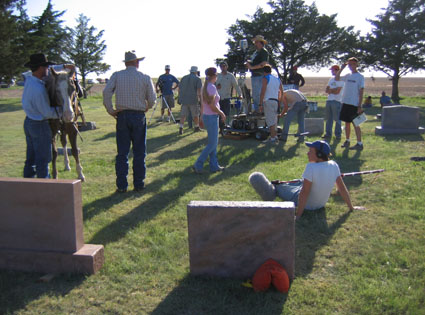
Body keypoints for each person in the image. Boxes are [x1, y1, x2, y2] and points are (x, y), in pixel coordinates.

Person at [249, 140, 363, 219]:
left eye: (310, 152)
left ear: (318, 154)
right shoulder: (334, 165)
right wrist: (351, 207)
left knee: (279, 186)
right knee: (300, 181)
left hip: (306, 204)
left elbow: (304, 192)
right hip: (320, 204)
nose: (307, 153)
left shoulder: (311, 167)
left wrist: (298, 215)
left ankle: (271, 193)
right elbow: (342, 188)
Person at [103, 50, 156, 193]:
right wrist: (146, 107)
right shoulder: (144, 77)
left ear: (126, 63)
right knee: (139, 152)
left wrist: (110, 109)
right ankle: (139, 183)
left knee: (122, 152)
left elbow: (106, 92)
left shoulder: (117, 76)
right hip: (138, 115)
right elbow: (152, 99)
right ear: (136, 62)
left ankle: (122, 185)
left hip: (122, 116)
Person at [21, 53, 63, 178]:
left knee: (31, 159)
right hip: (39, 124)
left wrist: (65, 66)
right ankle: (45, 189)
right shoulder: (39, 89)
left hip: (29, 121)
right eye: (46, 67)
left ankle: (27, 186)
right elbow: (47, 112)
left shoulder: (29, 80)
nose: (47, 70)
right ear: (40, 68)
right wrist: (62, 110)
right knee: (43, 160)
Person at [193, 67, 226, 173]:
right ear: (213, 76)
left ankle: (214, 165)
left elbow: (203, 104)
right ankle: (198, 164)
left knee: (213, 143)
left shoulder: (205, 86)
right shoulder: (211, 87)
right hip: (212, 117)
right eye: (216, 75)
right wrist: (221, 113)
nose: (217, 77)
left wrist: (202, 116)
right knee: (212, 144)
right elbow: (212, 106)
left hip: (208, 116)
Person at [335, 57, 365, 150]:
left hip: (354, 103)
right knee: (346, 123)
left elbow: (361, 91)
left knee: (356, 123)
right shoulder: (348, 75)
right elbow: (337, 78)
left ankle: (359, 143)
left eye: (353, 64)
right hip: (345, 102)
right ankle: (347, 140)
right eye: (350, 64)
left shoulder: (360, 77)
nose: (351, 66)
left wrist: (359, 105)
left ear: (356, 65)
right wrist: (342, 68)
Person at [259, 65, 283, 144]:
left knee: (270, 120)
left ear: (264, 72)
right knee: (274, 120)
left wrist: (260, 104)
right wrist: (279, 101)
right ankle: (275, 136)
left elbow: (263, 91)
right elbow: (281, 91)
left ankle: (272, 138)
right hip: (275, 101)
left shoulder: (266, 78)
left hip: (268, 100)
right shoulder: (277, 79)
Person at [216, 61, 242, 133]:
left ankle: (224, 127)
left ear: (227, 67)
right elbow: (212, 86)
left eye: (224, 66)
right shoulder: (218, 76)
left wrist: (240, 94)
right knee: (218, 114)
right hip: (218, 98)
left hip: (226, 97)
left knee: (226, 113)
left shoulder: (230, 76)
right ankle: (221, 128)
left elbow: (236, 86)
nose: (223, 68)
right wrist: (216, 86)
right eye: (221, 66)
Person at [246, 35, 269, 112]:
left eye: (256, 42)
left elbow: (264, 63)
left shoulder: (263, 52)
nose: (255, 44)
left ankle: (260, 110)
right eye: (255, 42)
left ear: (261, 43)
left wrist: (252, 67)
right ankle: (257, 109)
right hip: (254, 75)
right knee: (255, 94)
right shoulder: (255, 52)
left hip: (260, 75)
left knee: (259, 94)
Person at [178, 66, 202, 134]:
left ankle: (181, 127)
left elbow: (179, 89)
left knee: (183, 115)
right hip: (193, 100)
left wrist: (180, 97)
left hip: (184, 99)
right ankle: (196, 127)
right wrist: (200, 99)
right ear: (196, 72)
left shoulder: (184, 78)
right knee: (195, 114)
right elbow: (199, 90)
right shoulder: (198, 79)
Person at [322, 65, 344, 140]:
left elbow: (337, 91)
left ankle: (338, 134)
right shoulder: (331, 79)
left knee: (337, 118)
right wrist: (331, 90)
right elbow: (327, 90)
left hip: (337, 101)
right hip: (329, 100)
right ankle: (328, 133)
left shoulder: (341, 80)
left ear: (337, 70)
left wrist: (331, 90)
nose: (331, 71)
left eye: (333, 70)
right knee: (328, 118)